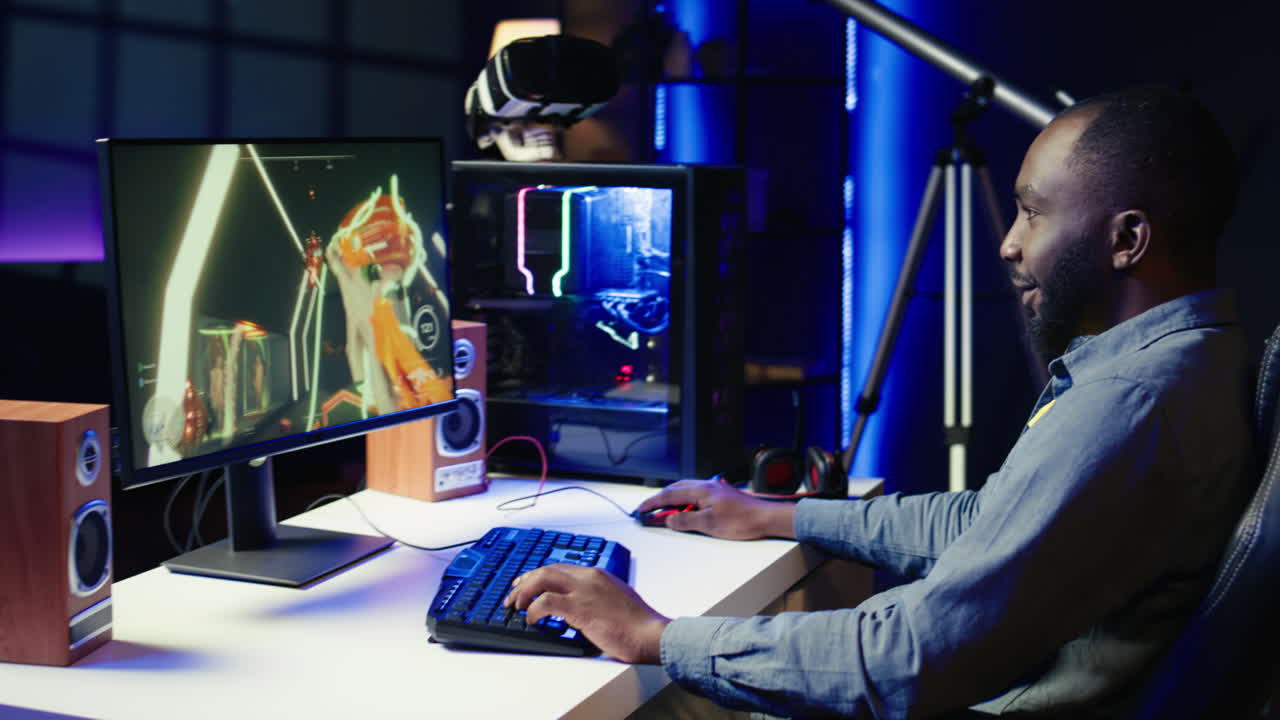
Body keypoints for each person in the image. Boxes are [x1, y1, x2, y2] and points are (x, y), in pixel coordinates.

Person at [504, 86, 1258, 718]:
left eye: (1033, 213)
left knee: (649, 702)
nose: (1009, 242)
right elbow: (986, 523)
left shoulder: (1130, 405)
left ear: (1126, 240)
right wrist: (781, 516)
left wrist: (656, 636)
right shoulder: (1193, 362)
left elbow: (915, 654)